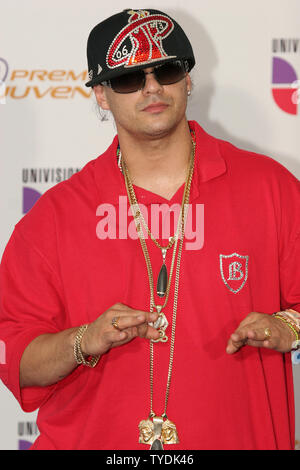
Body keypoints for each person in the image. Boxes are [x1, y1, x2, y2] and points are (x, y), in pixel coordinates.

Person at [0, 8, 300, 450]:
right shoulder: (54, 218)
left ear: (188, 80)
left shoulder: (270, 188)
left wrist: (287, 328)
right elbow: (16, 360)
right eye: (128, 78)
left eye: (167, 69)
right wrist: (87, 339)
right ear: (101, 95)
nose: (151, 87)